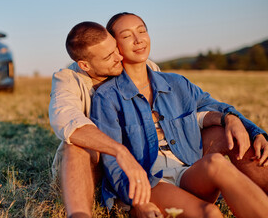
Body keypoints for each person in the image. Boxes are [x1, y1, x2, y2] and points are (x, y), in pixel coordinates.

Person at [49, 20, 268, 218]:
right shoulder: (77, 84)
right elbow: (68, 122)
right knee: (77, 145)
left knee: (224, 144)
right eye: (125, 38)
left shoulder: (165, 78)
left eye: (142, 31)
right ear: (85, 65)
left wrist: (239, 122)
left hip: (181, 167)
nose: (119, 56)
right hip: (120, 171)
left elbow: (204, 106)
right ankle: (79, 214)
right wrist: (135, 194)